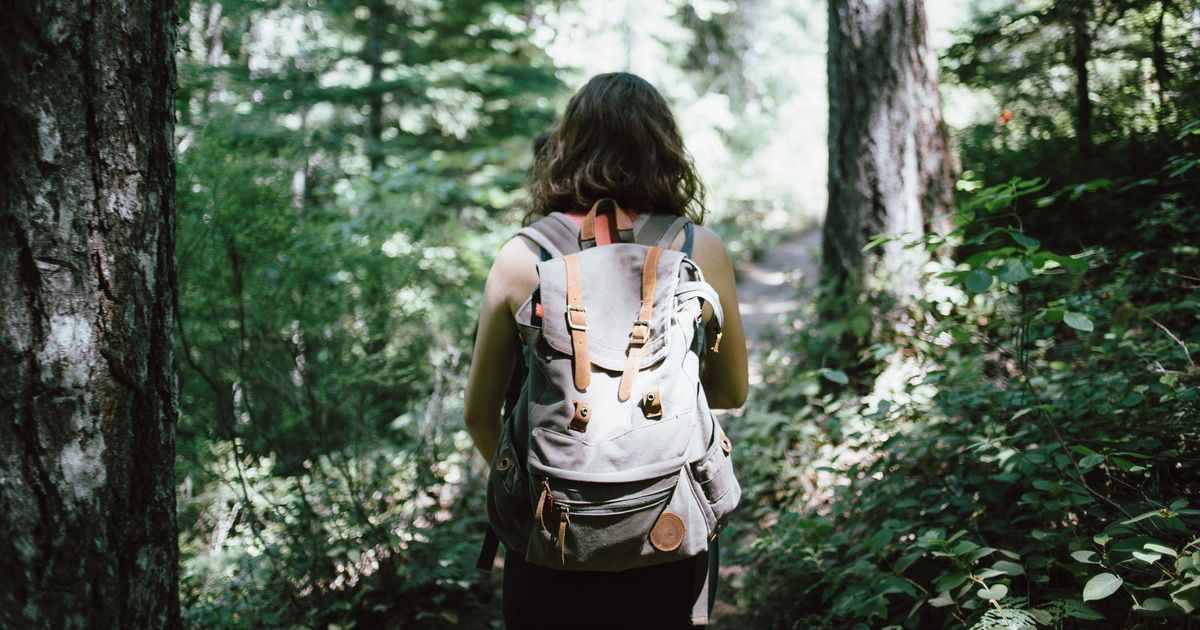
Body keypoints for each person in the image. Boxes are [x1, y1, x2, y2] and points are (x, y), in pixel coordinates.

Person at [464, 72, 748, 629]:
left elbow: (479, 413)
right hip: (668, 523)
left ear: (567, 147)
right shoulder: (698, 248)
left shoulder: (523, 257)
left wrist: (544, 486)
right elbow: (730, 392)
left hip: (551, 533)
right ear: (664, 150)